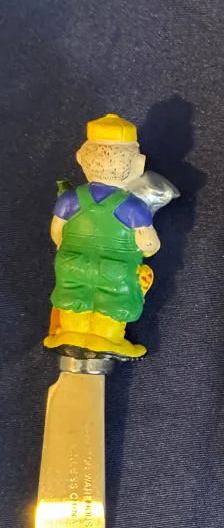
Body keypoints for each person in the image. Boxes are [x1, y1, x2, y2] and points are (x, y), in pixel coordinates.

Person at [44, 113, 168, 359]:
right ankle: (107, 338)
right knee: (114, 299)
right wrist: (149, 249)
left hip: (73, 262)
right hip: (116, 267)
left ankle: (71, 334)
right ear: (139, 164)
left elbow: (57, 232)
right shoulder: (133, 206)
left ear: (81, 159)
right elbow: (148, 243)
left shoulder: (70, 199)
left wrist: (65, 247)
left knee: (74, 294)